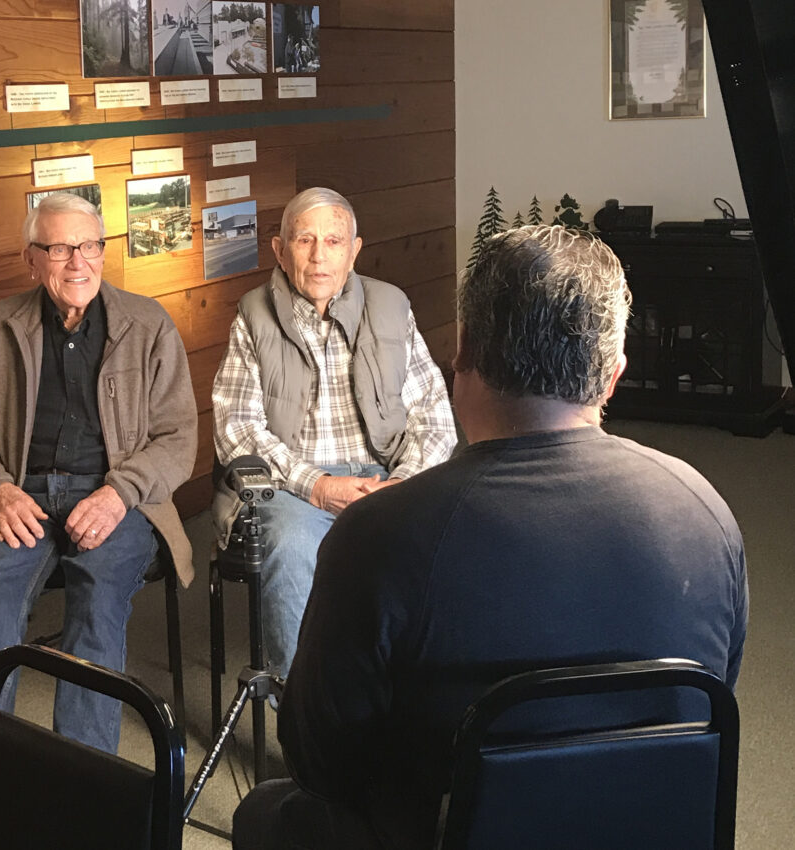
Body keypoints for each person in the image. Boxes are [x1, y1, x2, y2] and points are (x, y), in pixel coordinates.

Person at [232, 224, 749, 849]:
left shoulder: (381, 536)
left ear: (464, 350)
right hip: (649, 829)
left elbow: (320, 763)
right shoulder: (705, 511)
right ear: (613, 375)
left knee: (265, 810)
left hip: (445, 833)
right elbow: (709, 703)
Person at [0, 192, 198, 850]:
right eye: (58, 248)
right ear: (31, 260)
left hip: (117, 497)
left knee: (96, 607)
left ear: (104, 251)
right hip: (23, 495)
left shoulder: (149, 323)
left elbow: (176, 440)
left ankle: (78, 810)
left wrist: (118, 493)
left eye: (89, 246)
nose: (76, 260)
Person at [211, 186, 458, 679]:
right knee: (291, 543)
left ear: (355, 250)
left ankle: (402, 706)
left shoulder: (391, 306)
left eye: (334, 241)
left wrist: (398, 490)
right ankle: (303, 713)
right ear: (280, 252)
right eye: (304, 241)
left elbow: (434, 416)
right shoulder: (252, 314)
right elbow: (235, 428)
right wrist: (318, 487)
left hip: (386, 479)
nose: (319, 257)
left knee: (441, 542)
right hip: (292, 488)